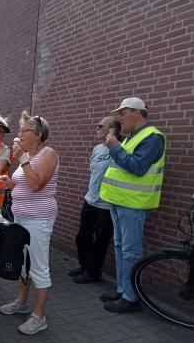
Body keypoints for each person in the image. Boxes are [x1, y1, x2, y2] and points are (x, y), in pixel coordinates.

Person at [100, 97, 166, 313]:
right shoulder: (131, 137)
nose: (120, 118)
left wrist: (115, 147)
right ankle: (122, 289)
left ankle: (131, 297)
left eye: (123, 112)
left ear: (137, 112)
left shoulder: (152, 138)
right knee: (120, 247)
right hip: (120, 202)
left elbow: (137, 167)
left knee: (130, 251)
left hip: (134, 205)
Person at [0, 112, 59, 335]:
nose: (20, 134)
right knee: (23, 263)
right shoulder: (29, 156)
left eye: (25, 130)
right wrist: (10, 184)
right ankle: (21, 302)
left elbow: (36, 186)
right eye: (20, 130)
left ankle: (38, 316)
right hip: (21, 218)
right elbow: (24, 186)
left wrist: (22, 159)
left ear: (39, 135)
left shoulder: (48, 154)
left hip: (39, 219)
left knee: (39, 268)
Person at [69, 116, 122, 284]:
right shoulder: (98, 148)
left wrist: (114, 145)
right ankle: (84, 266)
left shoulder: (120, 148)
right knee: (82, 236)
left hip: (107, 204)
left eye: (101, 126)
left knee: (101, 240)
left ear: (113, 129)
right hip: (90, 200)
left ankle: (93, 273)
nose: (97, 128)